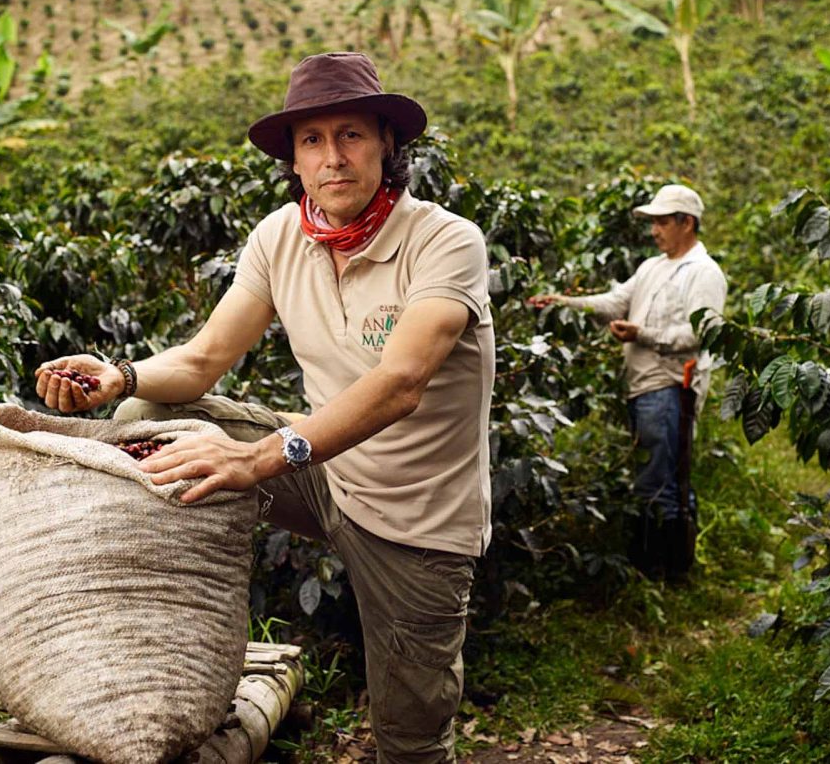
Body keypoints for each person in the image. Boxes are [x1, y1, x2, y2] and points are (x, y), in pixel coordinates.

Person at [35, 52, 495, 764]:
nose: (332, 157)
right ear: (294, 159)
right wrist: (120, 377)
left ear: (386, 145)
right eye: (312, 140)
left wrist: (256, 458)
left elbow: (402, 383)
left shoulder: (443, 241)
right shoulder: (282, 236)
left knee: (409, 742)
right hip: (323, 472)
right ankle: (158, 649)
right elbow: (201, 359)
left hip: (417, 522)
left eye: (351, 135)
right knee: (144, 420)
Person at [529, 184, 727, 581]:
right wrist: (565, 304)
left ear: (686, 223)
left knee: (661, 478)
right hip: (643, 388)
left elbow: (703, 333)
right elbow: (615, 300)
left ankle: (664, 570)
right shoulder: (654, 267)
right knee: (663, 473)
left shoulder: (704, 273)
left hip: (671, 387)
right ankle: (667, 567)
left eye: (662, 222)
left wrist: (643, 334)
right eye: (653, 222)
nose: (655, 231)